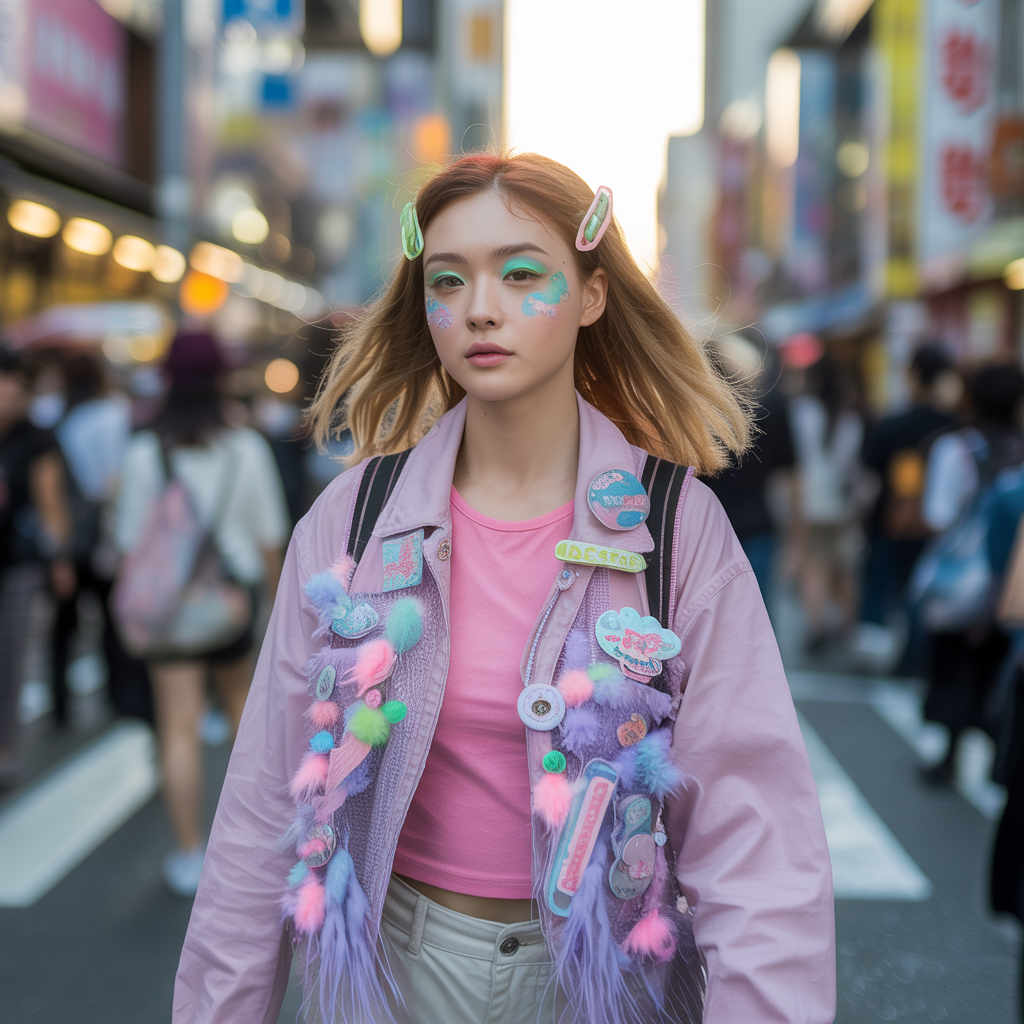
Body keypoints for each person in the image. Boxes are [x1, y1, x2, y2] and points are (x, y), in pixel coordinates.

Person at [173, 154, 835, 1024]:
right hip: (393, 974)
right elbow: (263, 807)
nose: (481, 306)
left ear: (592, 295)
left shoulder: (676, 529)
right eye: (447, 281)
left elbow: (757, 845)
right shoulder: (354, 520)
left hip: (605, 981)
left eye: (523, 275)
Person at [114, 330, 289, 895]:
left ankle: (190, 853)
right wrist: (274, 615)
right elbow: (270, 541)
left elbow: (127, 545)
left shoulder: (145, 453)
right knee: (245, 720)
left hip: (169, 615)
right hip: (233, 605)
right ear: (221, 378)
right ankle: (262, 840)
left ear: (166, 379)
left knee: (179, 727)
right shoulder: (245, 447)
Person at [916, 364, 1024, 786]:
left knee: (952, 661)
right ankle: (999, 751)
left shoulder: (955, 449)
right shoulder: (1020, 453)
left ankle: (949, 753)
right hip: (1012, 582)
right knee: (997, 662)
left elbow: (937, 516)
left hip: (960, 578)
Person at [50, 351, 147, 726]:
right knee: (112, 618)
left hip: (67, 532)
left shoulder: (56, 418)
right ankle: (119, 697)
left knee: (63, 624)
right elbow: (117, 477)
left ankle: (60, 703)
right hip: (105, 528)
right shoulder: (114, 413)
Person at [855, 343, 960, 669]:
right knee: (920, 590)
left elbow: (869, 477)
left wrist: (861, 515)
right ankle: (914, 658)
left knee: (879, 586)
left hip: (890, 519)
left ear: (913, 376)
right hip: (936, 524)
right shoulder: (954, 426)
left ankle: (871, 653)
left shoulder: (894, 423)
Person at [0, 348, 74, 783]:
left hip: (19, 564)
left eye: (13, 383)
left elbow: (52, 504)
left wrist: (60, 558)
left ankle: (4, 748)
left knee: (9, 658)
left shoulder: (36, 439)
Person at [704, 337, 797, 603]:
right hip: (756, 526)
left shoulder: (695, 415)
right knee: (760, 611)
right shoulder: (770, 408)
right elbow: (791, 477)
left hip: (709, 530)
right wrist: (796, 538)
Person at [787, 349, 865, 652]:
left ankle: (816, 625)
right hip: (842, 505)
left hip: (809, 502)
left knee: (814, 565)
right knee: (843, 567)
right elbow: (851, 466)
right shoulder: (850, 418)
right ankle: (847, 627)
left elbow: (796, 461)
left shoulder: (802, 411)